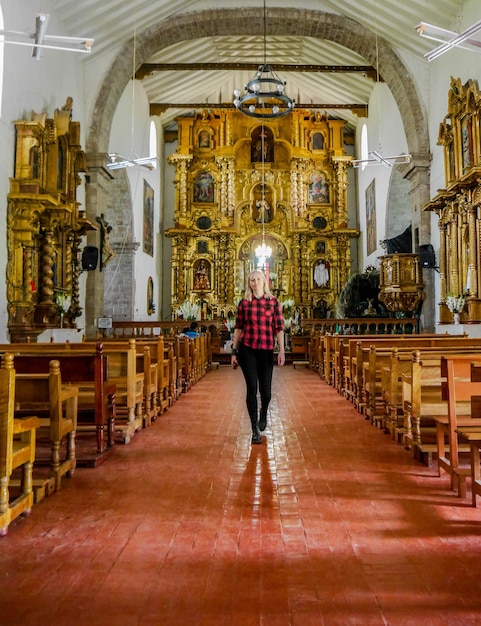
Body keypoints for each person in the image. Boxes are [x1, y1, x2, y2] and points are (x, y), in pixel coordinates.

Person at [231, 269, 285, 444]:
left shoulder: (274, 302)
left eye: (258, 279)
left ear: (264, 281)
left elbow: (278, 328)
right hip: (247, 350)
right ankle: (254, 427)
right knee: (252, 389)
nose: (255, 282)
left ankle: (263, 413)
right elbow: (238, 327)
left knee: (266, 392)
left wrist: (282, 350)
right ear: (249, 283)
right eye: (252, 280)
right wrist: (234, 351)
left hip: (266, 350)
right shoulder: (244, 303)